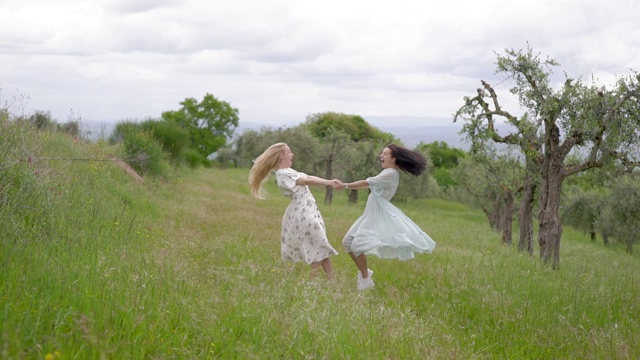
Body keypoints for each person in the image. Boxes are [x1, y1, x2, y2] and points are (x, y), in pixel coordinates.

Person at [341, 144, 436, 290]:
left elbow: (366, 183)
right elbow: (368, 185)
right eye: (382, 153)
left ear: (393, 159)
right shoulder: (387, 172)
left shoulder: (390, 173)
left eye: (385, 154)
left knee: (356, 246)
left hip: (376, 217)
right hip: (369, 214)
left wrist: (345, 185)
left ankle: (366, 281)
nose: (381, 156)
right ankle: (365, 273)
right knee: (348, 242)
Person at [248, 142, 342, 279]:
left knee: (321, 244)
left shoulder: (290, 172)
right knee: (319, 244)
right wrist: (328, 183)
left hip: (309, 209)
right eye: (289, 152)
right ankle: (312, 281)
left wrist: (330, 181)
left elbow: (309, 177)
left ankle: (331, 281)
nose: (292, 155)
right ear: (282, 156)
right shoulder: (282, 174)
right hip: (304, 212)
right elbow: (306, 181)